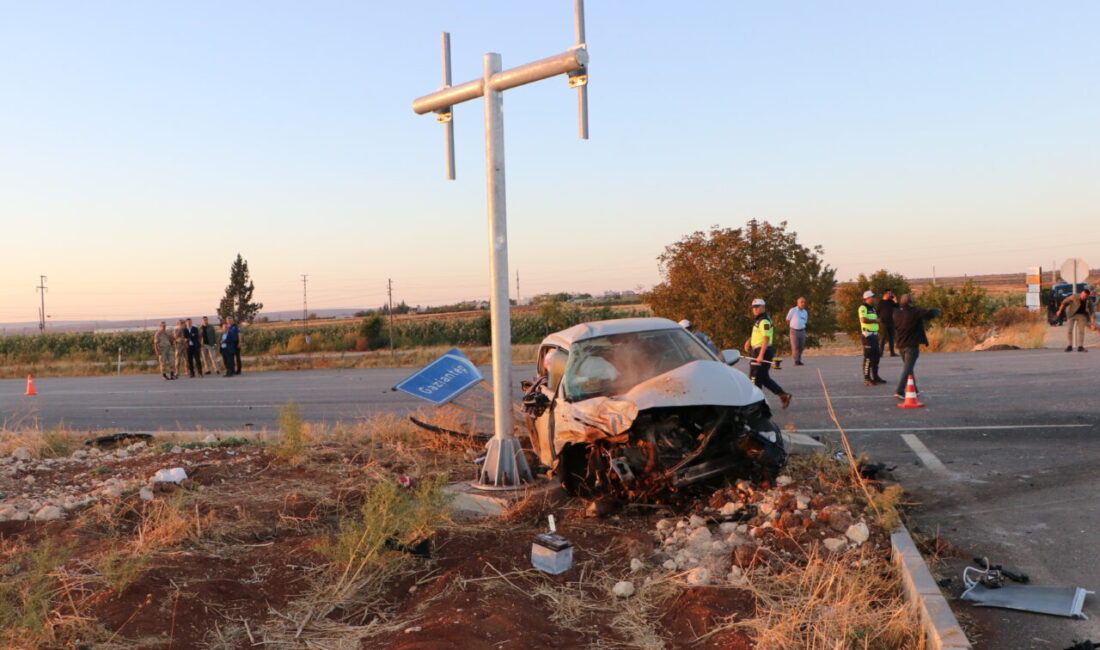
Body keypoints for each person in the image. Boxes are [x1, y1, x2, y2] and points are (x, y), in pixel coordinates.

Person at [744, 298, 792, 408]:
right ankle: (783, 395)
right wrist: (749, 341)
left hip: (762, 351)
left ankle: (757, 404)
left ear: (763, 307)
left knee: (754, 378)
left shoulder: (764, 320)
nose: (755, 310)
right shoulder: (759, 319)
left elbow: (765, 338)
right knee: (763, 377)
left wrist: (761, 355)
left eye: (757, 307)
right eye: (753, 308)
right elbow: (758, 334)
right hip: (758, 350)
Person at [892, 294, 940, 399]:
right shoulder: (914, 312)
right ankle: (899, 391)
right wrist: (936, 311)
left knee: (909, 368)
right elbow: (928, 314)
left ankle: (915, 389)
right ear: (910, 302)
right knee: (907, 369)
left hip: (900, 345)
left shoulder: (896, 313)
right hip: (911, 345)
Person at [1056, 287, 1098, 352]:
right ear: (1081, 293)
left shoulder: (1089, 302)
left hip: (1082, 315)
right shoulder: (1074, 297)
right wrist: (1059, 310)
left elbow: (1092, 313)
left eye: (1085, 296)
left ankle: (1080, 347)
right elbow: (1064, 302)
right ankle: (1069, 346)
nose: (1083, 297)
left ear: (1087, 296)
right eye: (1082, 295)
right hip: (1072, 314)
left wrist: (1092, 324)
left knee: (1081, 331)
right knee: (1069, 330)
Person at [858, 291, 886, 385]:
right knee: (868, 357)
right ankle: (867, 378)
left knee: (876, 356)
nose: (874, 299)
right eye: (872, 297)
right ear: (867, 298)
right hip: (867, 335)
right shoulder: (863, 307)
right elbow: (863, 319)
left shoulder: (872, 308)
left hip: (874, 335)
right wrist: (875, 321)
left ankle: (875, 376)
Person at [785, 297, 809, 365]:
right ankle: (796, 361)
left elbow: (805, 321)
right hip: (794, 331)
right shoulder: (793, 310)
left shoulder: (805, 312)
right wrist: (793, 325)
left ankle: (799, 359)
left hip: (802, 331)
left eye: (804, 302)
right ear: (798, 303)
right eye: (801, 302)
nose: (803, 303)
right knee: (795, 347)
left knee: (801, 347)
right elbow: (787, 319)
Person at [877, 290, 899, 357]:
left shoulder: (891, 301)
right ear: (885, 294)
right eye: (889, 293)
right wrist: (879, 319)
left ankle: (892, 353)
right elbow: (877, 311)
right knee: (883, 337)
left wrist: (895, 300)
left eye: (891, 293)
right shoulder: (881, 302)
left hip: (891, 322)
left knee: (891, 338)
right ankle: (880, 353)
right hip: (883, 322)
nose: (891, 294)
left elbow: (898, 307)